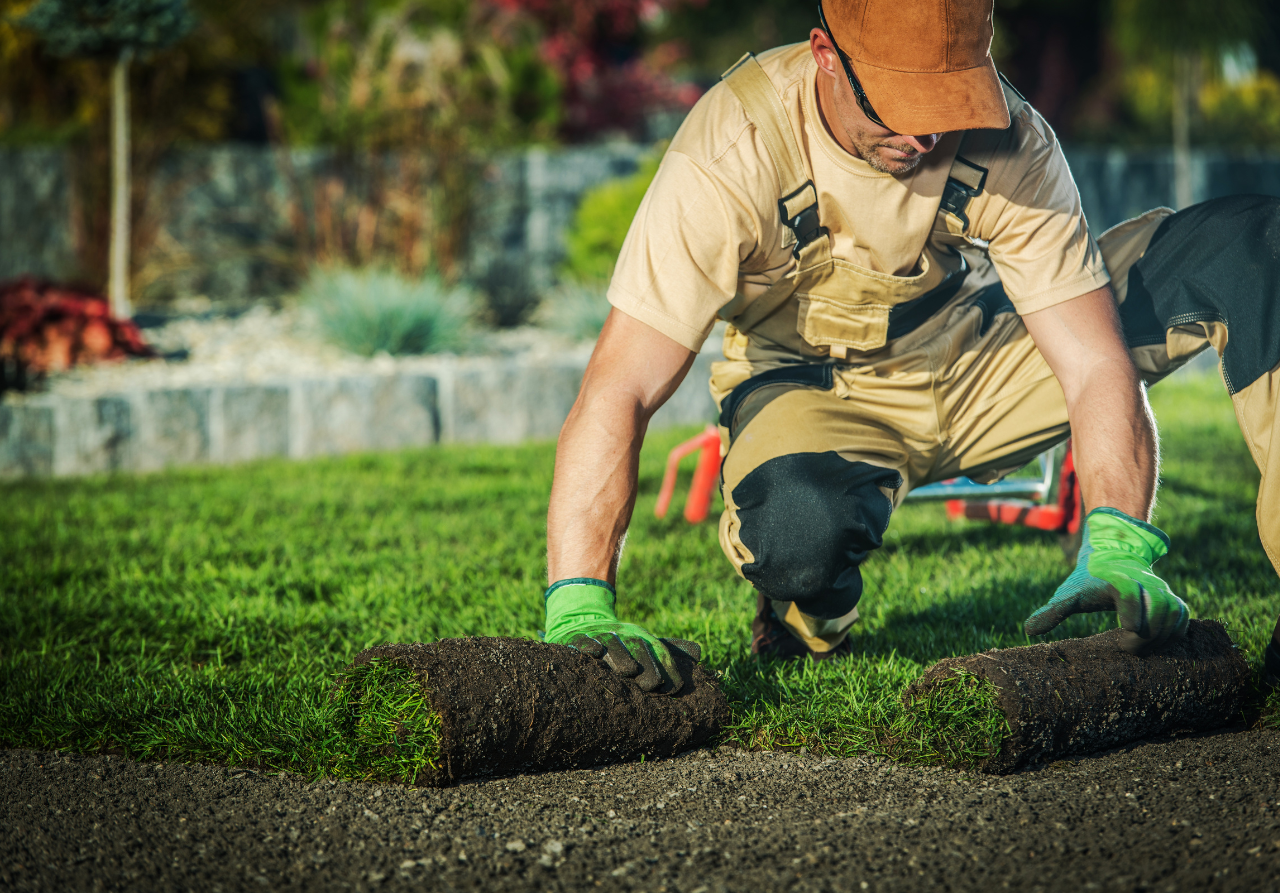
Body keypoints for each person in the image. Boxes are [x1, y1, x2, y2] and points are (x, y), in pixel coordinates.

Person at [540, 0, 1280, 693]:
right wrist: (579, 600)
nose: (925, 137)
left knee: (1248, 246)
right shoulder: (735, 145)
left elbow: (1090, 362)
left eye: (948, 105)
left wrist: (1119, 538)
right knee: (798, 534)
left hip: (974, 355)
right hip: (813, 388)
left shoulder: (1015, 140)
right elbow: (622, 386)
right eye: (899, 105)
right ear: (826, 54)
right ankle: (810, 616)